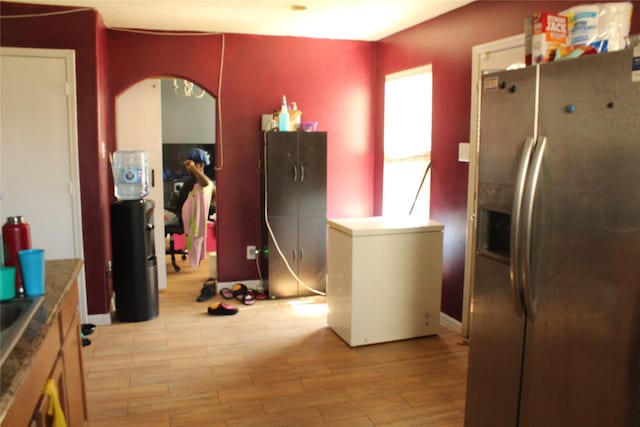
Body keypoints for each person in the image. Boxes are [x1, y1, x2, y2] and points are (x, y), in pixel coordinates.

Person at [175, 148, 216, 301]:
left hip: (182, 217)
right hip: (186, 217)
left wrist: (192, 168)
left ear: (198, 164)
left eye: (190, 164)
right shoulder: (200, 181)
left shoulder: (198, 181)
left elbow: (205, 183)